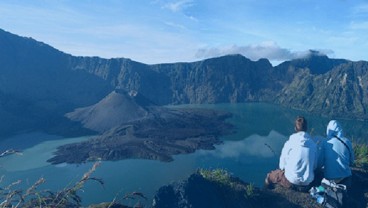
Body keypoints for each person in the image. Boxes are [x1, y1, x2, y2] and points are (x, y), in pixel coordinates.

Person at [265, 116, 318, 192]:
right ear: (306, 128)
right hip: (307, 184)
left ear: (295, 128)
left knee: (269, 177)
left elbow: (282, 166)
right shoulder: (313, 145)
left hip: (291, 181)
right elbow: (314, 166)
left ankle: (266, 194)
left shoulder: (290, 143)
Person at [322, 120, 354, 188]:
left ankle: (323, 189)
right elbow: (351, 161)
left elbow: (320, 162)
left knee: (321, 185)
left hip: (329, 178)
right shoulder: (347, 142)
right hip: (346, 179)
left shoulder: (325, 142)